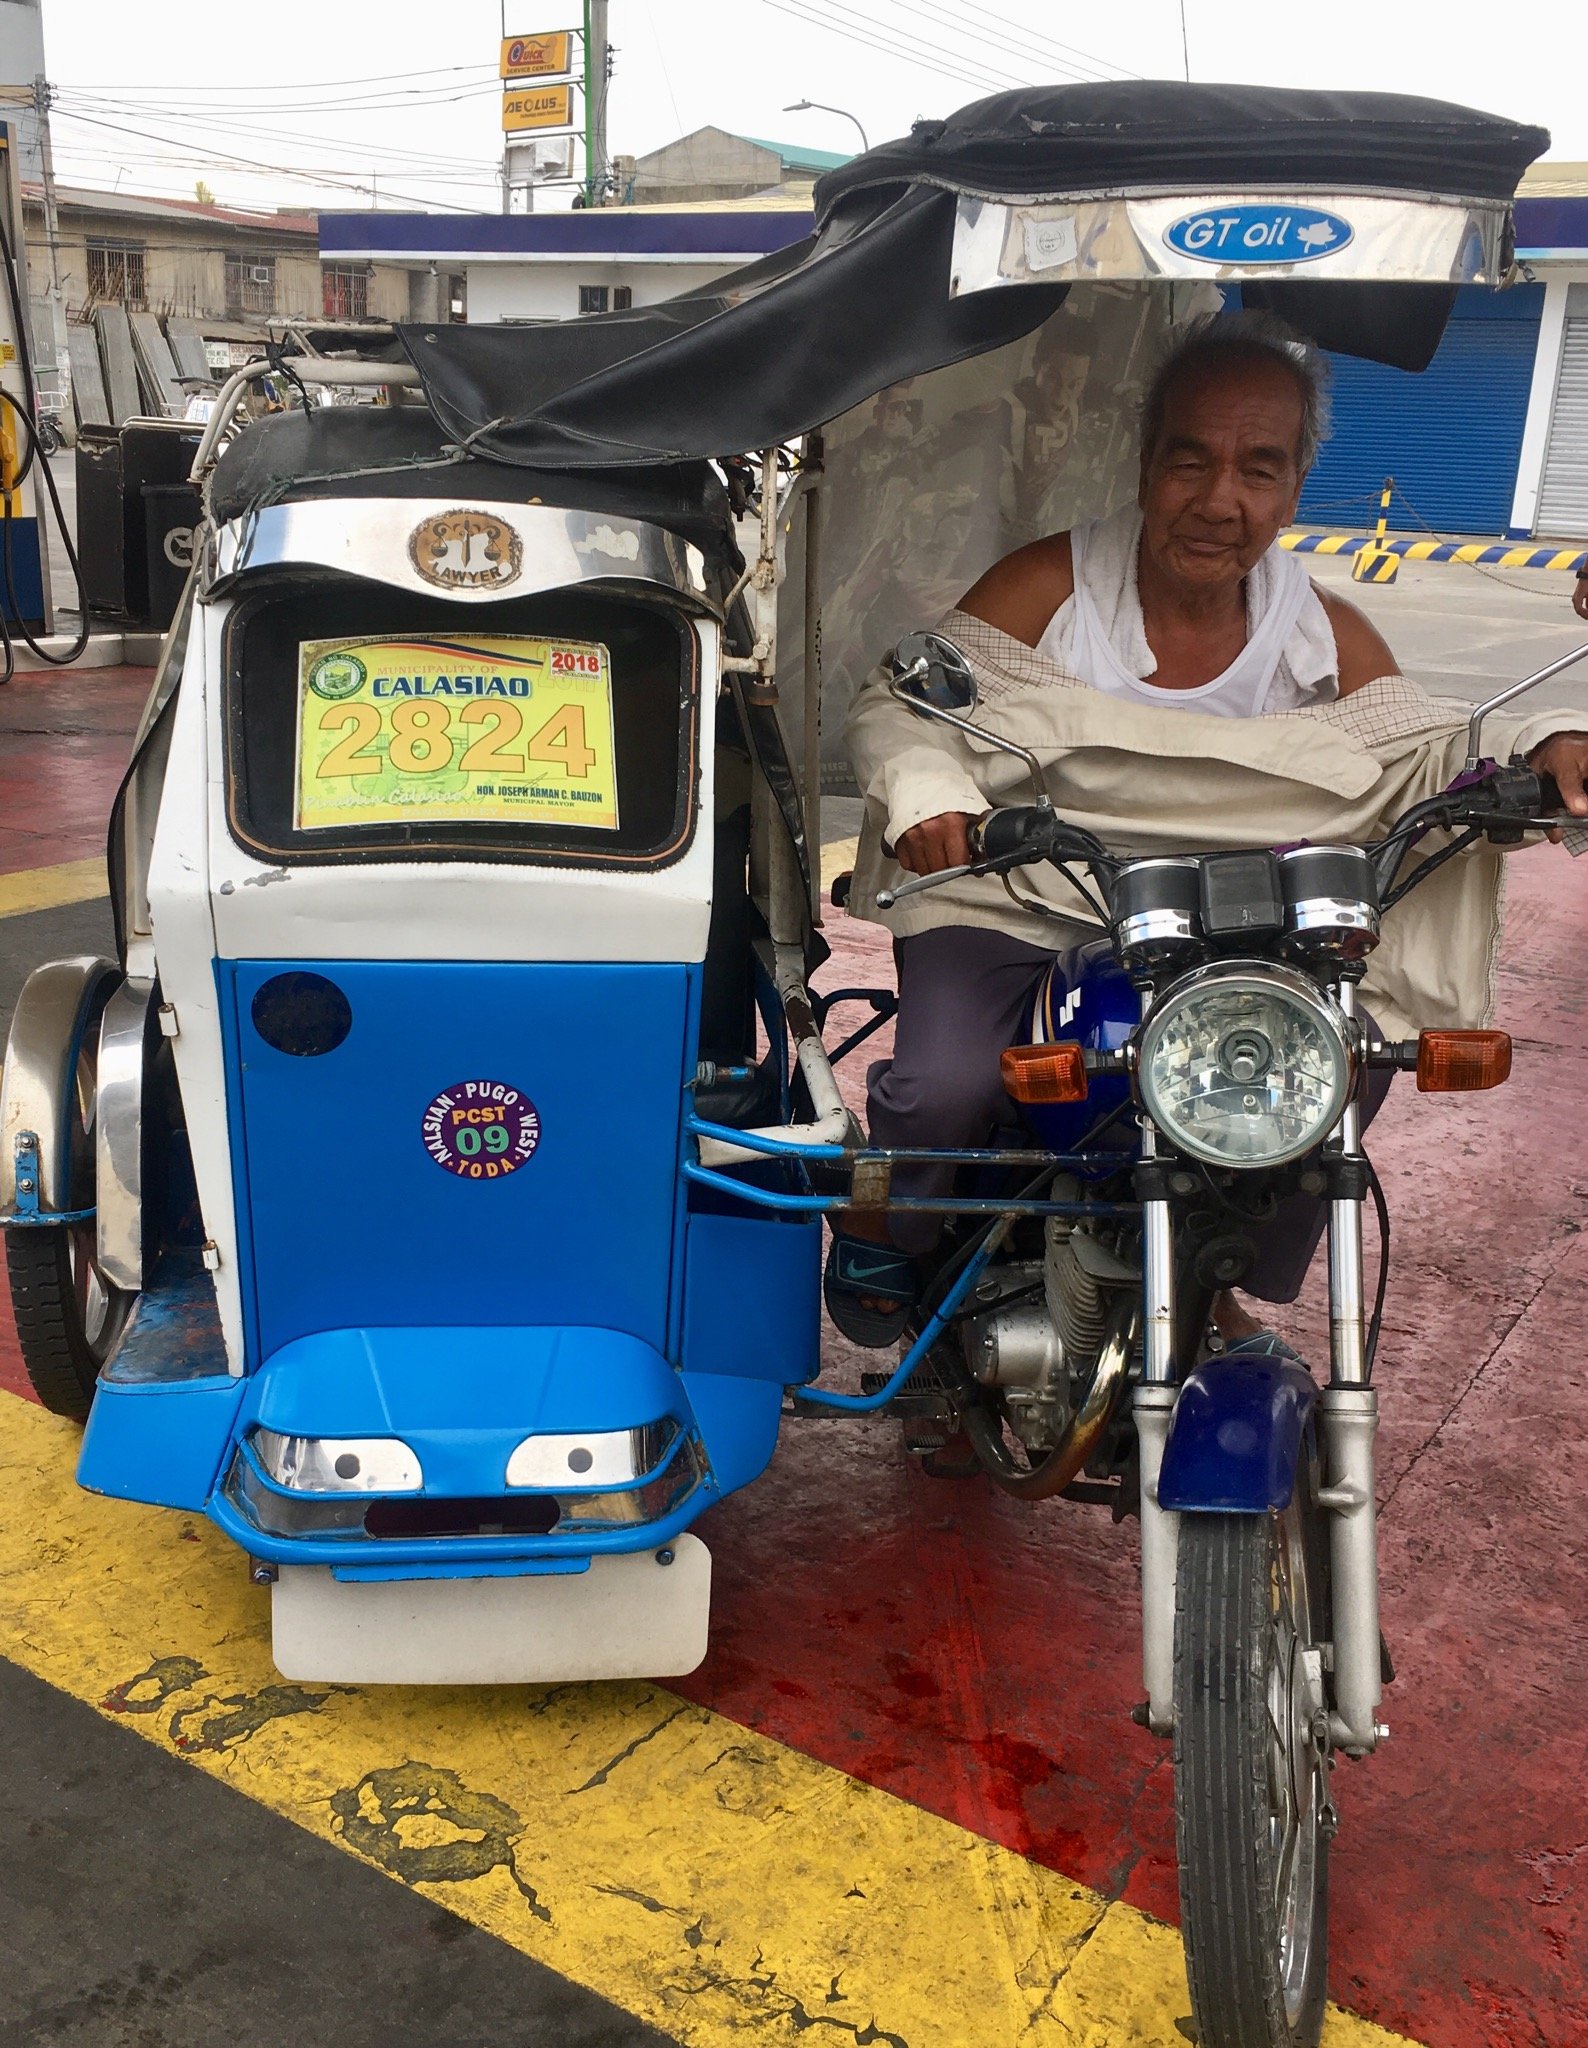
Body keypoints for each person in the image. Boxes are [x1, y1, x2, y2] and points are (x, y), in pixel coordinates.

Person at [828, 311, 1588, 1350]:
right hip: (1023, 896)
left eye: (1258, 469)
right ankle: (892, 1223)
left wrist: (1547, 743)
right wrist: (926, 787)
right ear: (1145, 463)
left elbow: (1429, 750)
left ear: (1294, 486)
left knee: (1344, 1059)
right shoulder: (1047, 588)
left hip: (1224, 924)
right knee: (945, 1084)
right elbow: (904, 702)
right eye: (1190, 460)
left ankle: (1208, 1263)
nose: (1219, 501)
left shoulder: (1323, 633)